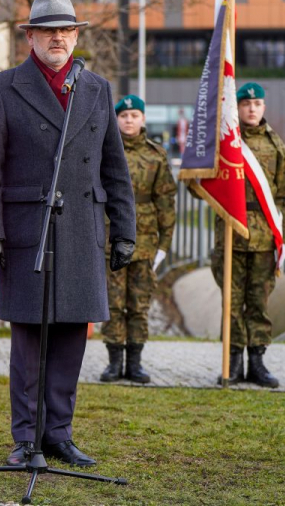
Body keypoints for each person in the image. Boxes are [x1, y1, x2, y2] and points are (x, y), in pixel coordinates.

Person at [0, 0, 136, 468]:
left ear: (77, 35)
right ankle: (26, 440)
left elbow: (114, 166)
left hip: (82, 230)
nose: (58, 38)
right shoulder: (2, 88)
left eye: (66, 30)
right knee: (29, 339)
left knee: (70, 339)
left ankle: (58, 434)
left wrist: (124, 228)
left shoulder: (97, 89)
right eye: (48, 30)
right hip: (29, 232)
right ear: (30, 36)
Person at [210, 82, 285, 388]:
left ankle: (257, 363)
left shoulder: (276, 146)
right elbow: (206, 184)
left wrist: (279, 233)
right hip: (231, 235)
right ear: (238, 108)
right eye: (246, 104)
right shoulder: (224, 143)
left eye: (256, 104)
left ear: (263, 108)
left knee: (258, 302)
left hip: (263, 238)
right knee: (232, 302)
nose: (251, 109)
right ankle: (232, 363)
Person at [99, 95, 177, 384]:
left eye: (134, 115)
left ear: (143, 119)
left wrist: (164, 245)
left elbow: (166, 203)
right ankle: (113, 361)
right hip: (111, 240)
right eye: (124, 116)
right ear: (116, 120)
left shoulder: (156, 155)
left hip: (144, 244)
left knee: (138, 304)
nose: (129, 120)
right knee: (113, 303)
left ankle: (135, 362)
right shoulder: (104, 150)